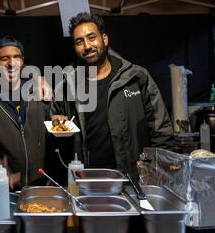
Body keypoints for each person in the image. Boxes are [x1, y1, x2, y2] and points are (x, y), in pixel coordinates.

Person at [50, 12, 174, 180]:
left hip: (132, 182)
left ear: (105, 39)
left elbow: (161, 132)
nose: (87, 46)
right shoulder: (66, 86)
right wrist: (56, 125)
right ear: (75, 48)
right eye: (79, 42)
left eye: (91, 37)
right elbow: (53, 136)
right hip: (84, 183)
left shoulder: (136, 77)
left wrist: (154, 173)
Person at [0, 36, 48, 190]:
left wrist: (58, 121)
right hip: (3, 189)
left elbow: (52, 132)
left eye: (16, 57)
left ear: (22, 61)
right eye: (4, 58)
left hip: (42, 186)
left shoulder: (39, 92)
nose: (11, 63)